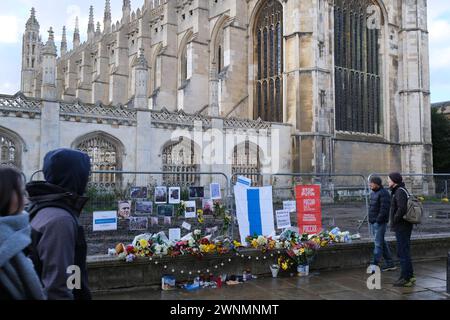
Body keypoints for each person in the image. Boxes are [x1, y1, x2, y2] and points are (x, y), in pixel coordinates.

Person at [26, 149, 92, 300]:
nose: (88, 179)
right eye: (85, 174)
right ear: (75, 176)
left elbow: (72, 271)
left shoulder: (42, 207)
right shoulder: (60, 220)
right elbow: (58, 286)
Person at [0, 166, 46, 300]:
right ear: (6, 196)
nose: (25, 199)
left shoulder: (18, 236)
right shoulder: (9, 239)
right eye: (20, 192)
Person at [388, 172, 415, 287]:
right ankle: (409, 275)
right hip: (403, 225)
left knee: (402, 252)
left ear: (394, 181)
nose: (388, 182)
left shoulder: (399, 191)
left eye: (389, 180)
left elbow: (402, 208)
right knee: (404, 251)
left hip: (402, 226)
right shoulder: (400, 190)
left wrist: (394, 219)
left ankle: (406, 278)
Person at [368, 176, 396, 272]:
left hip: (379, 223)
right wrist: (372, 220)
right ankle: (390, 263)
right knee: (381, 243)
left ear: (377, 184)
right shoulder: (373, 193)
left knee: (378, 244)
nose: (370, 185)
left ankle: (374, 265)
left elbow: (384, 210)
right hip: (374, 222)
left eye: (371, 183)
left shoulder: (384, 193)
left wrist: (378, 220)